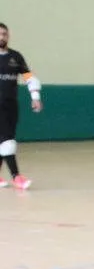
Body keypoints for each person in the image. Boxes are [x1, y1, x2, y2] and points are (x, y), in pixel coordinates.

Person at [0, 23, 41, 190]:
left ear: (8, 36)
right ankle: (17, 177)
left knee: (4, 140)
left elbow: (29, 77)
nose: (2, 37)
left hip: (11, 106)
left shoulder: (16, 57)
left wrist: (35, 97)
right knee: (7, 141)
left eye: (4, 34)